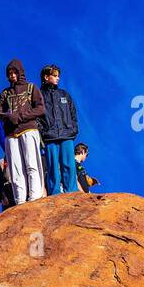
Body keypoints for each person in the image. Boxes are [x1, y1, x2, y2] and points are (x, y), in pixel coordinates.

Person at [0, 59, 46, 203]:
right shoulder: (5, 93)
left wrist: (20, 116)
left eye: (15, 72)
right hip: (11, 134)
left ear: (20, 73)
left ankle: (35, 196)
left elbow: (40, 108)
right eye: (10, 73)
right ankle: (20, 200)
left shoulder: (31, 88)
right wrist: (9, 117)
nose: (12, 76)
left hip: (29, 129)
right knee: (16, 167)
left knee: (32, 163)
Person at [39, 65, 80, 195]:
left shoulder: (64, 95)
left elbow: (73, 113)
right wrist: (42, 131)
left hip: (67, 134)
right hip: (49, 136)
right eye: (55, 76)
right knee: (52, 167)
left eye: (58, 76)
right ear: (46, 77)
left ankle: (71, 192)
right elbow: (37, 116)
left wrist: (73, 128)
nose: (58, 78)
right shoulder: (40, 96)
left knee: (69, 165)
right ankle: (54, 194)